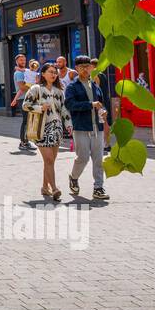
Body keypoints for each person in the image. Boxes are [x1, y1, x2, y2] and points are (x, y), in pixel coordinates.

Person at [22, 61, 72, 200]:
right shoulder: (36, 89)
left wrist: (68, 124)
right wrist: (40, 107)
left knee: (49, 161)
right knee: (49, 159)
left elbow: (63, 109)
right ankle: (54, 189)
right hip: (41, 129)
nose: (54, 74)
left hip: (57, 129)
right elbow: (25, 105)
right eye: (50, 71)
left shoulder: (59, 91)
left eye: (55, 72)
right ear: (43, 74)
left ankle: (45, 187)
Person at [65, 56, 110, 201]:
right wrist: (90, 104)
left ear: (92, 68)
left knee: (98, 159)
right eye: (82, 66)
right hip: (81, 127)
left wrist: (103, 111)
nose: (85, 69)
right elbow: (70, 105)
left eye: (88, 66)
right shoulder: (72, 86)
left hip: (98, 126)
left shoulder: (95, 85)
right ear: (76, 69)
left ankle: (98, 187)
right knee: (82, 158)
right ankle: (73, 177)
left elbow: (101, 103)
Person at [11, 54, 35, 152]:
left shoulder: (25, 72)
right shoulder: (19, 73)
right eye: (21, 60)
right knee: (26, 121)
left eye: (24, 60)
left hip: (28, 98)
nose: (23, 62)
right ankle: (23, 142)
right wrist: (34, 87)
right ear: (17, 62)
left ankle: (26, 141)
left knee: (29, 121)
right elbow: (22, 88)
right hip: (24, 99)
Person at [90, 57, 113, 152]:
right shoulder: (102, 75)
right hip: (105, 101)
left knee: (102, 123)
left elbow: (96, 89)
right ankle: (107, 144)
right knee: (106, 123)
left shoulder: (95, 75)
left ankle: (103, 144)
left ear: (92, 66)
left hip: (100, 102)